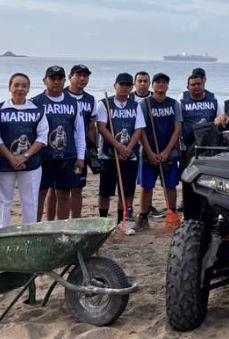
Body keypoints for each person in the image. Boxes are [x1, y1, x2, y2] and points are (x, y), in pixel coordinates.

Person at [0, 73, 47, 229]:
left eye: (24, 85)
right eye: (16, 85)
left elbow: (42, 137)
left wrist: (24, 156)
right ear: (10, 87)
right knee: (3, 201)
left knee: (30, 201)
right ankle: (1, 232)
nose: (20, 89)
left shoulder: (37, 110)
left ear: (28, 89)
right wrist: (11, 158)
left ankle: (28, 232)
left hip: (31, 163)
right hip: (4, 162)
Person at [32, 66, 85, 222]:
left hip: (66, 156)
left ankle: (61, 227)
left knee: (63, 194)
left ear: (65, 80)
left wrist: (80, 157)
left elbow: (79, 131)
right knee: (40, 194)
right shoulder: (36, 102)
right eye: (52, 78)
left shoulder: (73, 103)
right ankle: (35, 227)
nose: (56, 82)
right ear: (45, 80)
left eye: (59, 78)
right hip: (42, 156)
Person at [96, 73, 145, 233]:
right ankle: (102, 221)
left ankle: (121, 221)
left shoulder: (135, 105)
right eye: (121, 84)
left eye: (127, 85)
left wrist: (128, 148)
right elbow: (102, 128)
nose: (124, 88)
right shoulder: (104, 104)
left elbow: (138, 129)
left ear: (131, 87)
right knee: (105, 191)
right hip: (109, 154)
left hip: (129, 155)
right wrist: (118, 146)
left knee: (127, 190)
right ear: (115, 85)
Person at [136, 73, 182, 231]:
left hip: (169, 153)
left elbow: (177, 129)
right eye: (158, 82)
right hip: (148, 153)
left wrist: (167, 152)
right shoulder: (145, 104)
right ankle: (143, 217)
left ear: (167, 86)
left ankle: (172, 214)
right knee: (146, 186)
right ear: (153, 85)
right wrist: (149, 152)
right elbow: (141, 130)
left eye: (164, 82)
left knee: (170, 186)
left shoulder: (174, 104)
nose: (161, 84)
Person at [65, 64, 96, 219]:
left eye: (85, 76)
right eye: (78, 75)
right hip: (62, 149)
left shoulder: (90, 99)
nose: (82, 79)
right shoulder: (61, 96)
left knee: (77, 188)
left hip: (80, 150)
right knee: (58, 190)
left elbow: (91, 127)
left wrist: (93, 150)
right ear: (70, 77)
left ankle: (75, 220)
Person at [179, 73, 220, 166]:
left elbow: (219, 118)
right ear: (188, 87)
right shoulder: (182, 100)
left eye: (199, 84)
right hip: (188, 144)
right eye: (193, 84)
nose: (196, 86)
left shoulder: (213, 99)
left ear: (203, 85)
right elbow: (177, 123)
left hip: (209, 145)